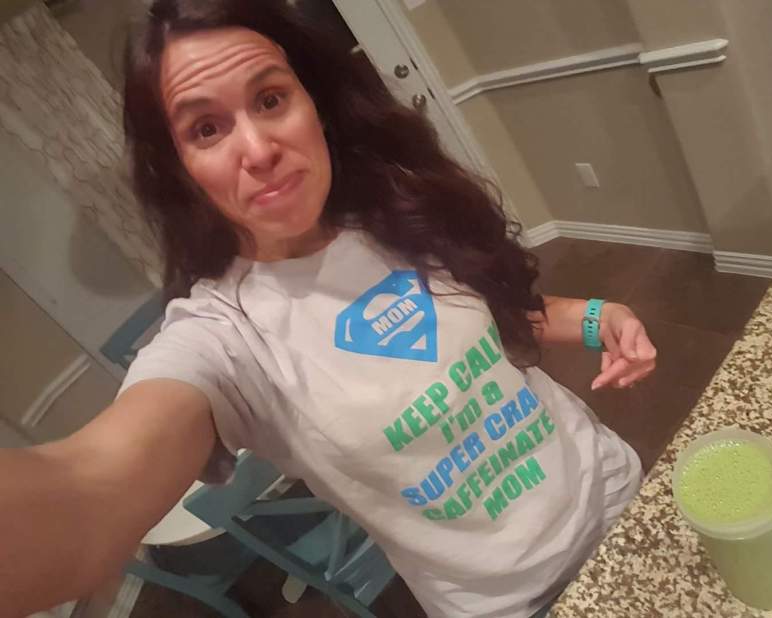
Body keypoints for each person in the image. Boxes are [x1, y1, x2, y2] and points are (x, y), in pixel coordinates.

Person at [0, 1, 657, 616]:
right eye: (206, 128)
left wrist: (596, 316)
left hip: (616, 493)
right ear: (180, 170)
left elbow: (499, 320)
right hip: (516, 603)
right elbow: (87, 495)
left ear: (312, 101)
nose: (259, 149)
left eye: (269, 99)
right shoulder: (222, 337)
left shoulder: (398, 206)